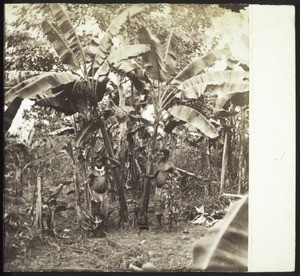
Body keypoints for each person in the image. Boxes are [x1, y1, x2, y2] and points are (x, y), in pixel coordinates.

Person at [144, 149, 182, 229]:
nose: (160, 156)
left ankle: (168, 225)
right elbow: (153, 176)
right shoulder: (159, 165)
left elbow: (179, 176)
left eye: (162, 155)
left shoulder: (170, 165)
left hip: (166, 190)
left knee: (167, 206)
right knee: (157, 206)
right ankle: (159, 224)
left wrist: (172, 182)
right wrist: (145, 175)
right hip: (158, 189)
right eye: (159, 155)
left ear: (167, 155)